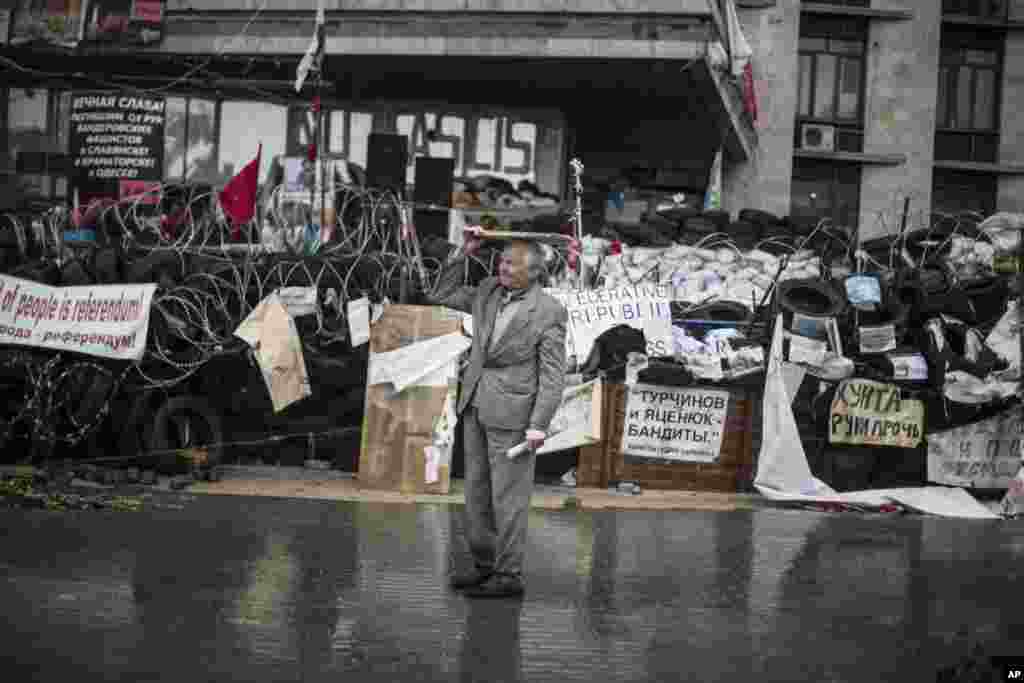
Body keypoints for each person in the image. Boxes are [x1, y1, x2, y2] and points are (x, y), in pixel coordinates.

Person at [429, 229, 567, 598]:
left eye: (512, 264)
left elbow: (554, 374)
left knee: (508, 497)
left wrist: (539, 424)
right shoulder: (489, 291)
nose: (502, 268)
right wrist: (463, 253)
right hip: (475, 403)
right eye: (501, 261)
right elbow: (440, 295)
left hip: (515, 414)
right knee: (475, 491)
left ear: (535, 272)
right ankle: (485, 565)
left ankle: (509, 574)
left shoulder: (549, 311)